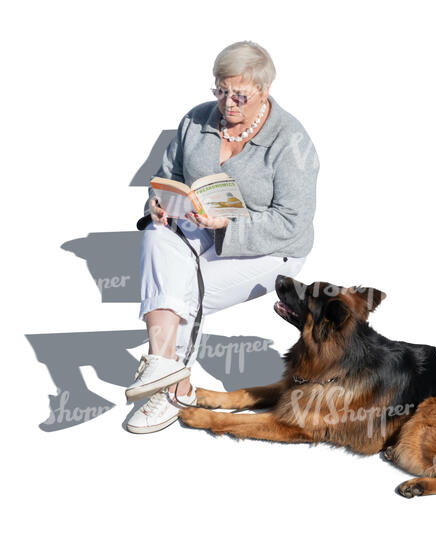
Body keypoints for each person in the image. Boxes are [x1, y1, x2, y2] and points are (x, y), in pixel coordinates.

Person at [125, 40, 320, 433]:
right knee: (155, 238)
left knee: (186, 294)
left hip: (271, 250)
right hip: (198, 227)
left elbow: (292, 223)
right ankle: (164, 366)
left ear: (264, 91)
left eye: (239, 95)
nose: (227, 103)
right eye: (220, 90)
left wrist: (230, 227)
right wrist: (158, 204)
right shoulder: (196, 120)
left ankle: (172, 393)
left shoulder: (292, 142)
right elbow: (169, 176)